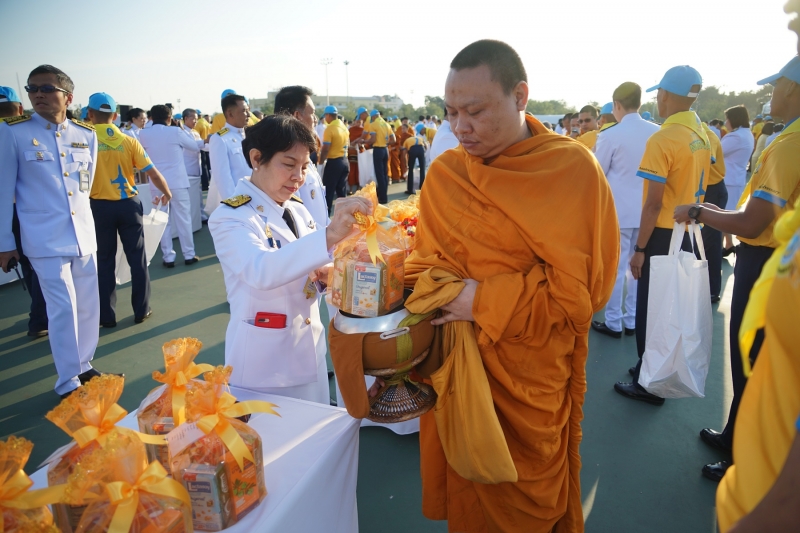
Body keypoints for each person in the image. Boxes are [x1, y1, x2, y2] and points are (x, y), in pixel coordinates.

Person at [400, 39, 618, 532]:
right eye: (452, 112)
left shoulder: (570, 171)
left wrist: (480, 299)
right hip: (460, 371)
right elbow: (423, 267)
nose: (460, 127)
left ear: (520, 96)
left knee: (528, 508)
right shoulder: (447, 174)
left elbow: (580, 297)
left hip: (529, 379)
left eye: (475, 111)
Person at [675, 55, 800, 484]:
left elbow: (753, 223)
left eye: (778, 85)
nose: (772, 92)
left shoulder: (788, 145)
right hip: (781, 262)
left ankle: (745, 460)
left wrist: (698, 211)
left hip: (768, 264)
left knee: (752, 360)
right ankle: (734, 436)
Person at [208, 114, 372, 403]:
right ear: (257, 158)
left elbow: (307, 263)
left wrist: (328, 272)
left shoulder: (296, 209)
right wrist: (330, 234)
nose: (299, 176)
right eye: (289, 164)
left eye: (305, 166)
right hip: (266, 366)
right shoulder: (230, 217)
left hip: (310, 349)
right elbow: (261, 270)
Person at [0, 65, 118, 398]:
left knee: (87, 305)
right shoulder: (13, 132)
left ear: (68, 96)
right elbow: (2, 190)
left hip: (82, 233)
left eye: (47, 88)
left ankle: (84, 365)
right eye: (32, 89)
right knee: (63, 307)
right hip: (42, 237)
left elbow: (86, 184)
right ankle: (67, 381)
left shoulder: (86, 134)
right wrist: (5, 243)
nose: (38, 94)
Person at [614, 65, 712, 406]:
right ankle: (648, 366)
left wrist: (639, 248)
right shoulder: (701, 134)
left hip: (662, 233)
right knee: (667, 308)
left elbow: (653, 204)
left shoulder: (665, 138)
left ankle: (649, 384)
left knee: (649, 310)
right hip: (687, 230)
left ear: (666, 96)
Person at [87, 92, 172, 327]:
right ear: (115, 115)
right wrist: (166, 191)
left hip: (99, 207)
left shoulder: (85, 140)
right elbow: (152, 172)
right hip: (128, 205)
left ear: (90, 114)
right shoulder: (128, 140)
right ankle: (141, 309)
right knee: (137, 259)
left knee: (104, 260)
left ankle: (106, 315)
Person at [592, 82, 659, 339]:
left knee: (616, 269)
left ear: (617, 105)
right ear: (639, 103)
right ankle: (632, 320)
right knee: (637, 269)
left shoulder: (610, 135)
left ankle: (613, 322)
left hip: (617, 212)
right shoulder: (657, 132)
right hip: (648, 211)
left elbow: (598, 172)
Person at [1, 85, 48, 338]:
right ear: (20, 107)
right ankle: (40, 318)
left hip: (7, 213)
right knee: (37, 265)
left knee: (26, 265)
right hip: (27, 210)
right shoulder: (23, 132)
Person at [138, 104, 203, 268]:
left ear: (151, 117)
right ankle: (188, 254)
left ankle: (168, 257)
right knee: (184, 219)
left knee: (162, 221)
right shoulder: (175, 131)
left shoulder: (143, 134)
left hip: (156, 183)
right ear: (169, 118)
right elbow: (194, 146)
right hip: (178, 182)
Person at [273, 86, 328, 228]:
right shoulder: (282, 160)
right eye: (312, 113)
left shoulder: (302, 153)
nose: (315, 119)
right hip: (308, 244)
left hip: (322, 242)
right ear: (297, 115)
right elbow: (293, 218)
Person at [205, 93, 252, 215]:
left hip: (253, 196)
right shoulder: (220, 139)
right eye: (244, 111)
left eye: (248, 110)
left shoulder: (248, 135)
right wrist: (235, 205)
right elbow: (223, 177)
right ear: (230, 114)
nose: (248, 114)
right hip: (239, 201)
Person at [720, 105, 756, 255]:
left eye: (727, 118)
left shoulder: (735, 136)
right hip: (736, 179)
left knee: (722, 216)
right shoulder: (746, 134)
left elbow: (716, 153)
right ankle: (728, 244)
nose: (725, 122)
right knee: (727, 212)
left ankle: (716, 248)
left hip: (728, 180)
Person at [700, 117, 728, 304]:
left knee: (711, 243)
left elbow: (701, 163)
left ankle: (711, 290)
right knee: (703, 243)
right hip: (705, 190)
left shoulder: (707, 137)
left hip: (712, 190)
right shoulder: (702, 134)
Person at [319, 105, 350, 213]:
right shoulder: (344, 127)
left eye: (325, 116)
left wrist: (320, 163)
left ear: (328, 115)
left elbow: (326, 148)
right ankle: (345, 215)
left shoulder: (330, 128)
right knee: (341, 192)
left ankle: (325, 217)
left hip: (334, 162)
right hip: (345, 161)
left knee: (328, 192)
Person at [180, 108, 207, 225]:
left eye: (197, 119)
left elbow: (203, 147)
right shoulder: (181, 132)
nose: (195, 121)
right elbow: (194, 146)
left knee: (198, 194)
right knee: (189, 196)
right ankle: (192, 218)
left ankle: (200, 215)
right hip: (187, 169)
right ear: (186, 118)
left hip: (196, 167)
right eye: (193, 119)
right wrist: (206, 141)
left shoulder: (195, 133)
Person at [362, 109, 394, 203]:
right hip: (385, 150)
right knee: (384, 174)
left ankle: (382, 198)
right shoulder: (387, 124)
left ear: (374, 116)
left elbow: (373, 139)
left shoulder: (373, 124)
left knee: (379, 175)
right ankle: (384, 196)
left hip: (378, 150)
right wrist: (386, 143)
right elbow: (394, 140)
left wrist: (365, 142)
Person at [403, 123, 428, 195]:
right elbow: (426, 146)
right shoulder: (420, 138)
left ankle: (410, 190)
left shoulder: (406, 141)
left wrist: (406, 165)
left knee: (410, 170)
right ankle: (422, 188)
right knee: (422, 170)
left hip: (413, 149)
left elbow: (404, 155)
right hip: (421, 149)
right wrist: (423, 153)